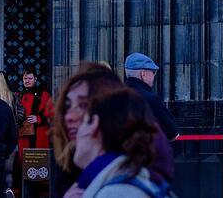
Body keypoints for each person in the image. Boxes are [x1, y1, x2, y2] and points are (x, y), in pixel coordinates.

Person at [51, 63, 174, 197]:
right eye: (67, 105)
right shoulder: (75, 165)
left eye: (83, 105)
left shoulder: (122, 187)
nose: (69, 116)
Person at [66, 88, 168, 198]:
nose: (77, 134)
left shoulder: (114, 193)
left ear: (94, 125)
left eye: (83, 123)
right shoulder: (116, 180)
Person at [124, 53, 179, 141]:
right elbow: (173, 133)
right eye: (153, 72)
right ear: (143, 74)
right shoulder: (151, 99)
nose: (154, 76)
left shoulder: (114, 97)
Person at [17, 68, 52, 157]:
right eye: (25, 78)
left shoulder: (44, 95)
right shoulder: (19, 95)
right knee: (24, 161)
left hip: (38, 134)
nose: (27, 81)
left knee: (38, 161)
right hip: (23, 136)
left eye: (30, 78)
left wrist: (38, 118)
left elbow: (52, 113)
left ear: (35, 79)